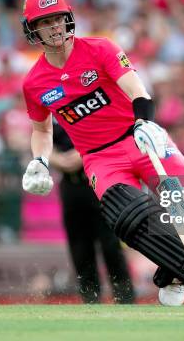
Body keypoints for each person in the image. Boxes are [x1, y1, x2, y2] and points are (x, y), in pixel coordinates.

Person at [20, 0, 184, 306]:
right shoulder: (34, 82)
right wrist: (39, 160)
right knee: (124, 215)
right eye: (46, 22)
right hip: (100, 159)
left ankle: (169, 272)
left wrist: (146, 122)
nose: (55, 26)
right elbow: (41, 129)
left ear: (69, 18)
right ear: (33, 29)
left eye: (59, 18)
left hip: (138, 137)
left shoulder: (100, 48)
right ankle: (180, 265)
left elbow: (135, 88)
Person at [52, 119, 135, 304]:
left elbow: (111, 133)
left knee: (110, 244)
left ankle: (125, 298)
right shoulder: (53, 105)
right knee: (79, 247)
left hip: (99, 180)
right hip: (70, 184)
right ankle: (90, 298)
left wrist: (83, 153)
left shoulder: (91, 101)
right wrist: (55, 158)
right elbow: (41, 138)